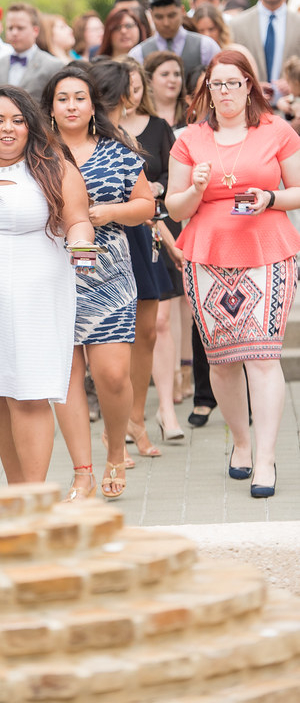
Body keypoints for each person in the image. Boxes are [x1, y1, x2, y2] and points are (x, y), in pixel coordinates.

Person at [166, 49, 300, 498]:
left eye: (233, 82)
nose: (224, 91)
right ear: (207, 88)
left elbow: (298, 189)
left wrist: (270, 197)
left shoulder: (275, 130)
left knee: (263, 357)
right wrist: (198, 188)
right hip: (207, 254)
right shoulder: (188, 139)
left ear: (249, 85)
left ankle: (265, 458)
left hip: (267, 249)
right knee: (222, 361)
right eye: (216, 83)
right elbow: (174, 206)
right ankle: (240, 443)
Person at [0, 85, 93, 487]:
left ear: (31, 125)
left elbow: (78, 218)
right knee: (3, 396)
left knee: (31, 393)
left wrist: (81, 239)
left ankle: (36, 496)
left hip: (38, 293)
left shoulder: (53, 166)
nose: (8, 129)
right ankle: (16, 493)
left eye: (18, 120)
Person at [41, 62, 154, 499]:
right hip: (53, 275)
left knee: (111, 375)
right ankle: (82, 471)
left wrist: (111, 213)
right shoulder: (38, 154)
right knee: (66, 375)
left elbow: (146, 204)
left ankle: (113, 449)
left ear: (93, 106)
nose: (71, 105)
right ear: (50, 107)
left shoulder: (118, 150)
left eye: (79, 98)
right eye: (62, 98)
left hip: (109, 275)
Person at [122, 58, 182, 449]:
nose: (132, 95)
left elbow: (172, 175)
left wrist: (157, 189)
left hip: (157, 226)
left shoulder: (160, 128)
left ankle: (166, 409)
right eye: (124, 88)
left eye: (137, 86)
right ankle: (130, 414)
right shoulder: (103, 134)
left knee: (159, 321)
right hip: (120, 232)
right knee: (131, 329)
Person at [228, 0, 300, 98]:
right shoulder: (237, 24)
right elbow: (230, 65)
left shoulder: (298, 23)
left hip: (291, 107)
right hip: (249, 106)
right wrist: (250, 84)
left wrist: (294, 82)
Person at [130, 0, 219, 81]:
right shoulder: (138, 54)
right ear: (151, 15)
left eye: (171, 15)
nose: (166, 23)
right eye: (159, 17)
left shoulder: (206, 46)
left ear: (182, 11)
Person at [0, 3, 64, 100]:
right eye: (10, 28)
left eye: (20, 28)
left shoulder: (53, 66)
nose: (14, 33)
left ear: (35, 31)